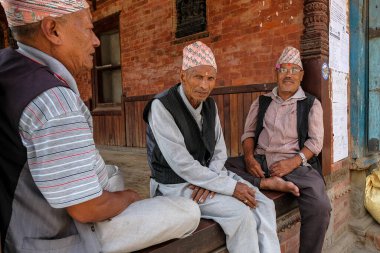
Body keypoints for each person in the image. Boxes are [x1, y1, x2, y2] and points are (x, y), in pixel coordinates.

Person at [0, 1, 200, 252]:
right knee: (188, 210)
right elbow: (87, 209)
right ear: (53, 30)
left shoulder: (8, 65)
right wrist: (129, 197)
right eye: (88, 29)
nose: (96, 41)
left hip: (19, 230)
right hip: (62, 239)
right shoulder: (55, 102)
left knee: (111, 173)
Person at [143, 41, 281, 253]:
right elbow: (181, 164)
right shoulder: (161, 106)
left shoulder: (210, 105)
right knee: (241, 214)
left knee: (264, 204)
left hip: (207, 178)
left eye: (210, 78)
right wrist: (227, 187)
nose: (204, 85)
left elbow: (219, 152)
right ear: (183, 76)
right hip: (176, 184)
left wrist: (212, 182)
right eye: (198, 77)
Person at [238, 46, 331, 253]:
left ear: (301, 75)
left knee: (320, 206)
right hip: (260, 162)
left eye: (293, 70)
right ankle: (266, 182)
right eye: (283, 69)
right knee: (223, 165)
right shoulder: (262, 101)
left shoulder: (310, 104)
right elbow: (248, 134)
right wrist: (249, 157)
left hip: (295, 165)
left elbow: (315, 143)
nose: (288, 75)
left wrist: (292, 163)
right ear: (276, 73)